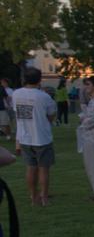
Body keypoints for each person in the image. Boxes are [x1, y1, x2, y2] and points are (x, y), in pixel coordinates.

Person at [12, 68, 56, 207]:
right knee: (44, 169)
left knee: (30, 168)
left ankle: (33, 196)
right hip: (41, 137)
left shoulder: (16, 94)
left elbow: (16, 112)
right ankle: (44, 197)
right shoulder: (44, 96)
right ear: (39, 79)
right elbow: (51, 116)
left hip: (24, 137)